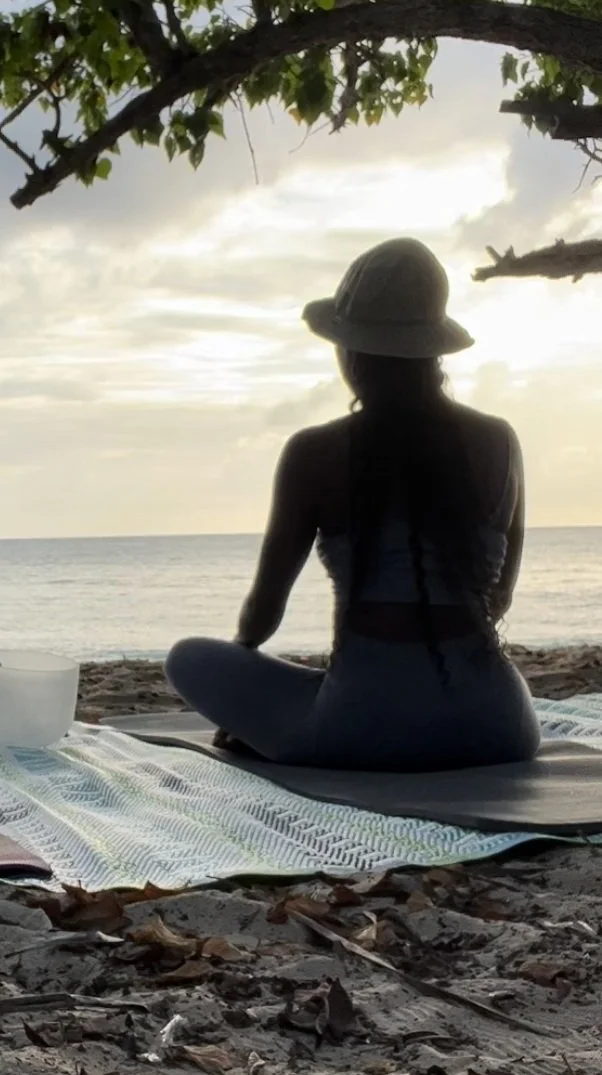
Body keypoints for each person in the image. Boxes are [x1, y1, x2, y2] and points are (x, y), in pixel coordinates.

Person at [165, 237, 540, 772]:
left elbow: (262, 617)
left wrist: (253, 702)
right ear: (433, 348)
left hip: (361, 729)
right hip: (495, 730)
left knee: (188, 658)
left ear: (352, 351)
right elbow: (497, 599)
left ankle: (302, 715)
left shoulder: (313, 452)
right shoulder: (500, 442)